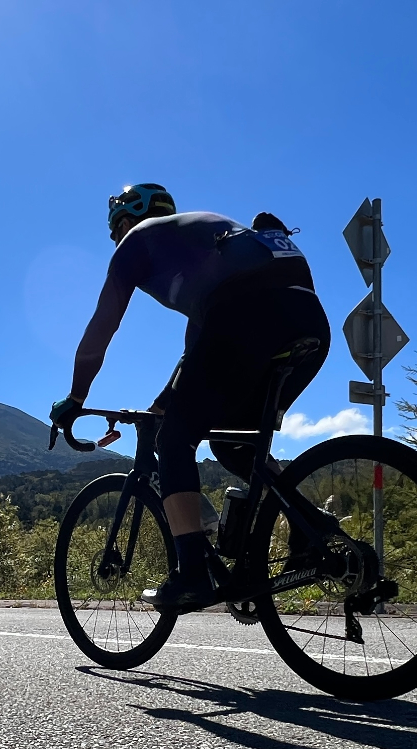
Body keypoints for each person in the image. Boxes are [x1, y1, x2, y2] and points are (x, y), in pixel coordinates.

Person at [49, 183, 331, 609]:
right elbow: (196, 357)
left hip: (245, 317)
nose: (114, 239)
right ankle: (311, 526)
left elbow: (99, 333)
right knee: (233, 444)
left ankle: (192, 575)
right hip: (306, 318)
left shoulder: (136, 241)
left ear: (125, 220)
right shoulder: (204, 249)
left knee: (175, 440)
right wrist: (161, 406)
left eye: (114, 230)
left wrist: (75, 398)